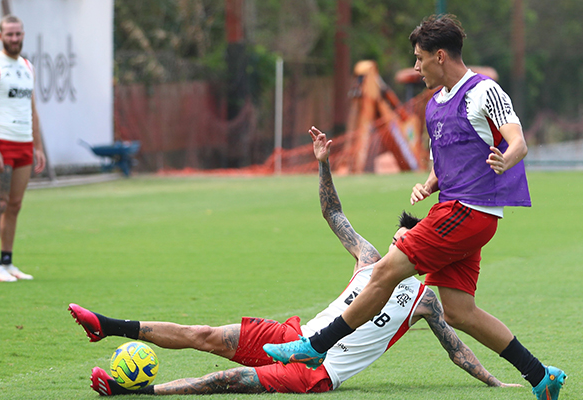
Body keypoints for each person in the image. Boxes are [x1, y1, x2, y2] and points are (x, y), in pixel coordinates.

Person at [67, 128, 522, 396]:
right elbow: (333, 213)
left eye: (408, 241)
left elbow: (458, 350)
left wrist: (494, 383)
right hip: (295, 336)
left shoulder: (426, 302)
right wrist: (323, 163)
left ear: (422, 250)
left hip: (317, 371)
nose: (398, 245)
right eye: (398, 238)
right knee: (204, 335)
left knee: (229, 379)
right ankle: (106, 324)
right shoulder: (368, 259)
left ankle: (143, 392)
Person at [264, 16, 567, 400]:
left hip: (468, 211)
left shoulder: (484, 91)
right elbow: (445, 162)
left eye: (419, 58)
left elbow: (517, 141)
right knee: (459, 312)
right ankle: (541, 375)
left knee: (384, 271)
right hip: (456, 210)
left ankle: (315, 347)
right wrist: (428, 183)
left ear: (440, 56)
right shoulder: (435, 105)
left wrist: (507, 160)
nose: (416, 67)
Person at [0, 15, 46, 282]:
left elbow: (31, 107)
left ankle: (8, 262)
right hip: (2, 143)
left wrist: (37, 145)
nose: (14, 39)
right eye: (9, 34)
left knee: (15, 205)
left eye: (18, 34)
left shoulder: (27, 66)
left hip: (24, 143)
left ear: (23, 34)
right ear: (0, 36)